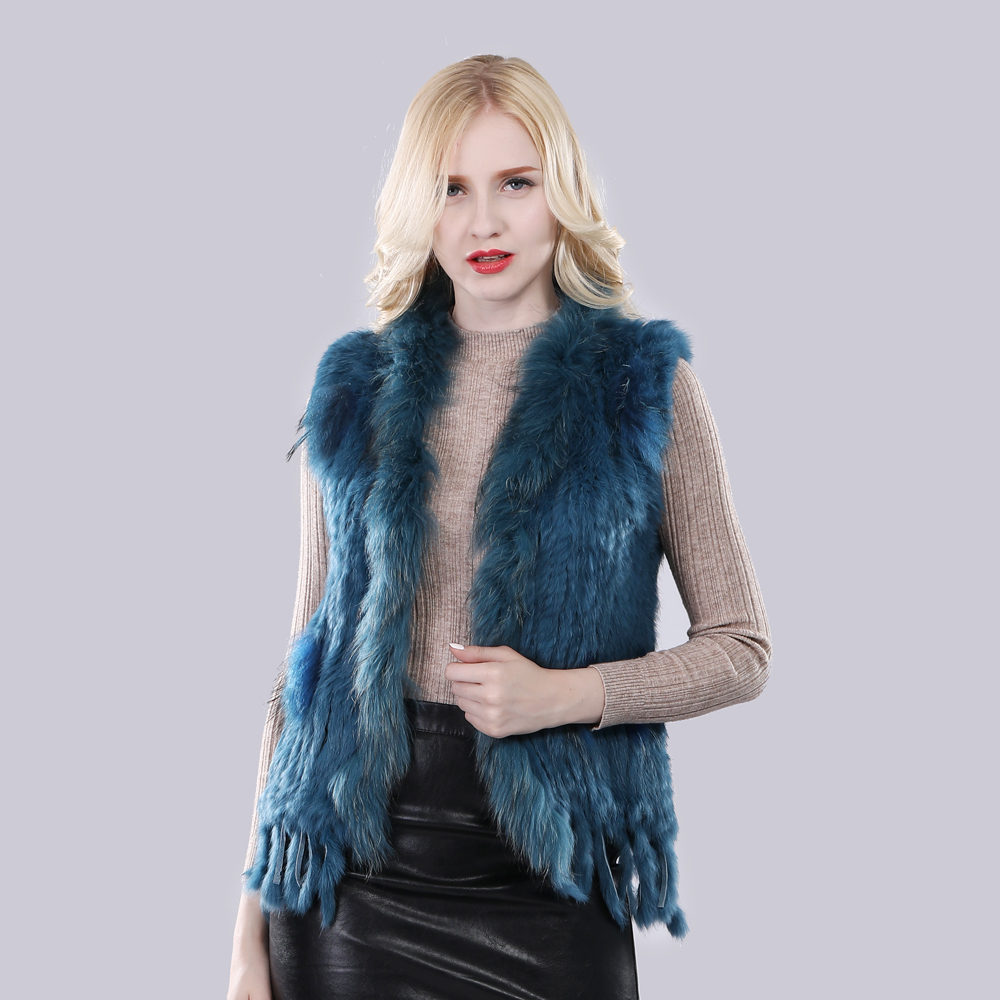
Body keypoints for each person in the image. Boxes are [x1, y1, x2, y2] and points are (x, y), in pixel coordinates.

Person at [227, 54, 771, 1000]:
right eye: (451, 189)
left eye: (515, 183)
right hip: (352, 883)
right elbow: (301, 676)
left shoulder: (644, 387)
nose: (482, 221)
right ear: (418, 206)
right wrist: (247, 943)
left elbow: (742, 649)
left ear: (562, 192)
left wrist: (565, 696)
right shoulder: (355, 387)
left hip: (550, 874)